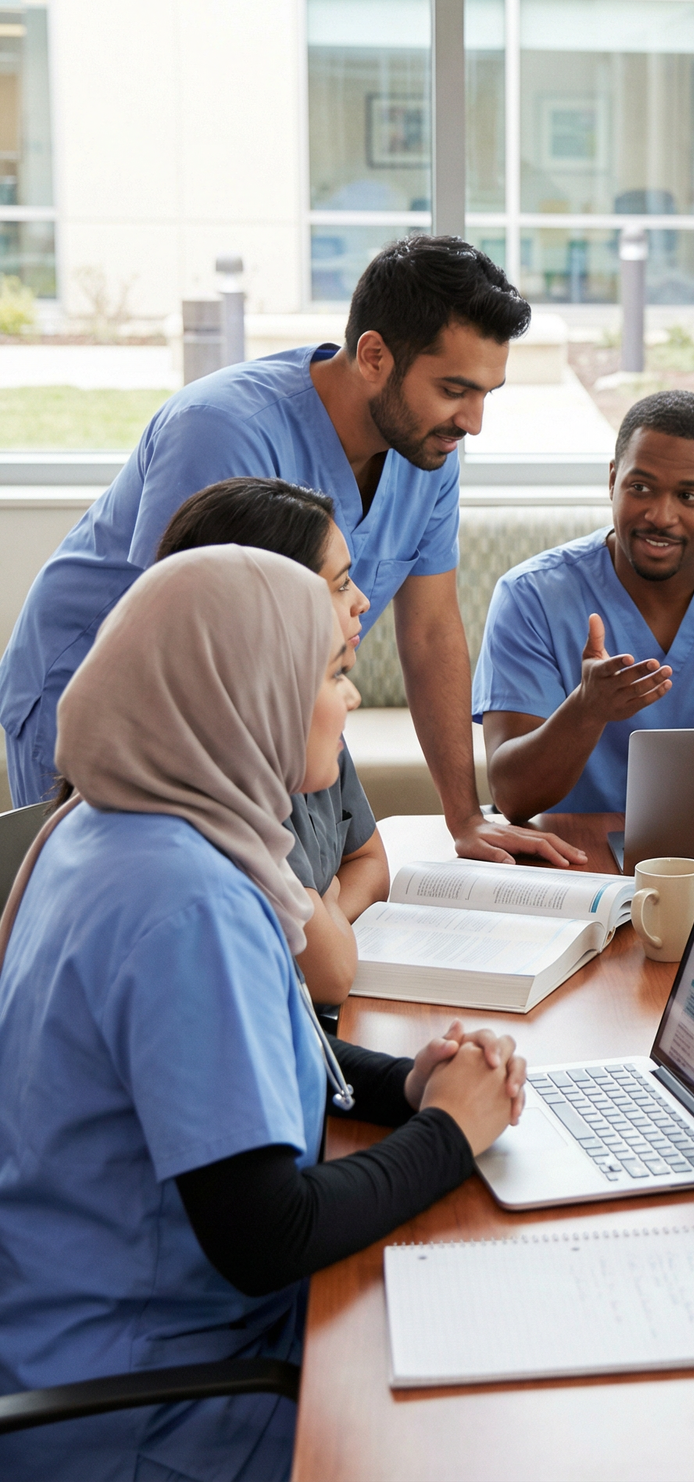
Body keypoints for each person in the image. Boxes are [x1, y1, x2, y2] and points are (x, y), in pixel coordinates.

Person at [0, 546, 529, 1481]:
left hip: (64, 1332)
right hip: (159, 1403)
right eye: (331, 672)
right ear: (245, 689)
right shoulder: (187, 902)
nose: (352, 697)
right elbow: (266, 1235)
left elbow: (258, 1046)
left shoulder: (106, 822)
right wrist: (451, 1130)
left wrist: (406, 1084)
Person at [0, 234, 584, 870]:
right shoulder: (222, 432)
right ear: (373, 356)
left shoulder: (427, 448)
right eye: (454, 389)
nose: (472, 422)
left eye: (485, 395)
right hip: (99, 689)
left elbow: (432, 631)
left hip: (253, 710)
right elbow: (175, 651)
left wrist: (465, 818)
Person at [475, 390, 694, 819]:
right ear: (613, 481)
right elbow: (513, 798)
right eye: (641, 487)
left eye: (689, 496)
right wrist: (586, 710)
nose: (661, 516)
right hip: (576, 865)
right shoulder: (530, 597)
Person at [155, 476, 389, 1006]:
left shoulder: (308, 724)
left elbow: (373, 865)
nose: (363, 601)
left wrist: (326, 908)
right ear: (270, 604)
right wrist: (325, 918)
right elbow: (329, 972)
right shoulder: (224, 769)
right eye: (341, 583)